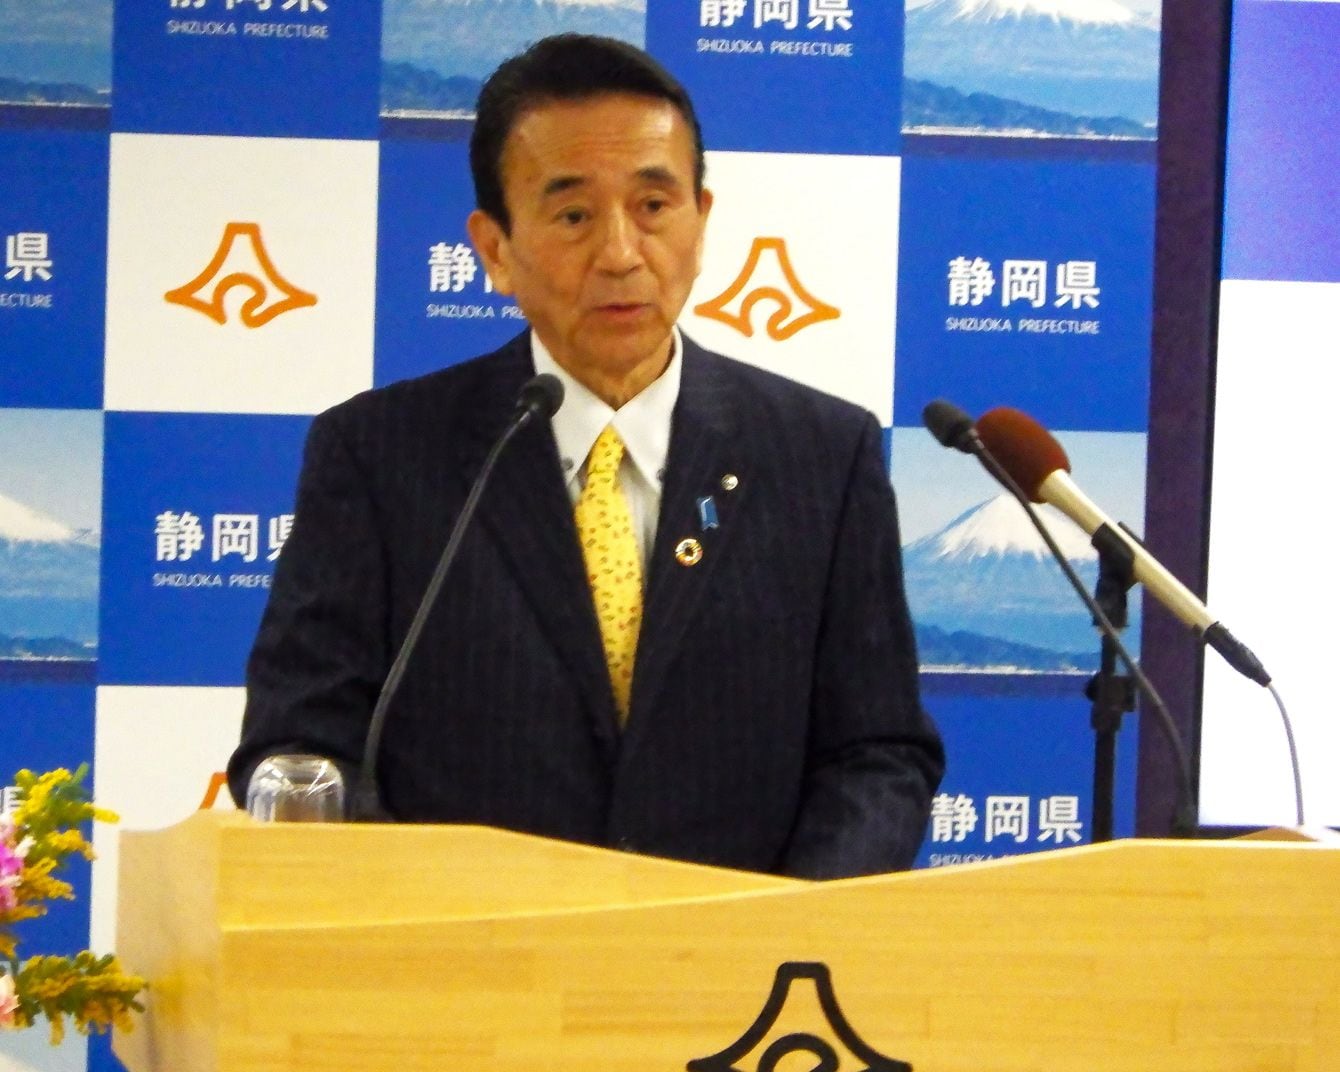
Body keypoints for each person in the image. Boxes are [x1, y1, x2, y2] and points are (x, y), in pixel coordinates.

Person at [228, 33, 943, 879]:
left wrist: (784, 927)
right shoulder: (380, 455)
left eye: (654, 206)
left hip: (742, 953)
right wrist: (429, 913)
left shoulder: (821, 454)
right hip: (470, 949)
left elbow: (877, 754)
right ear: (495, 249)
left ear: (701, 221)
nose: (620, 253)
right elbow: (301, 748)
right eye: (573, 216)